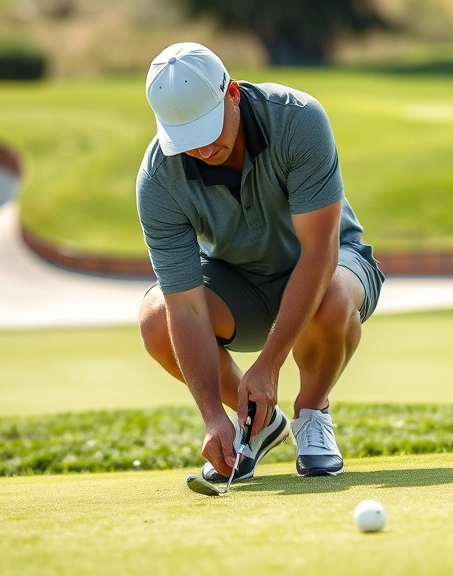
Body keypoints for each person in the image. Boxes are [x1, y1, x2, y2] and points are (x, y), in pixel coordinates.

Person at [136, 42, 384, 482]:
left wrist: (269, 364)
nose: (203, 149)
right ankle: (258, 424)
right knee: (156, 319)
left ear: (232, 93)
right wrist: (212, 415)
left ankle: (312, 415)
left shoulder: (298, 118)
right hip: (240, 283)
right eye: (188, 139)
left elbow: (318, 251)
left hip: (329, 265)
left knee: (331, 300)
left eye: (209, 130)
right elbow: (185, 305)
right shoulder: (159, 179)